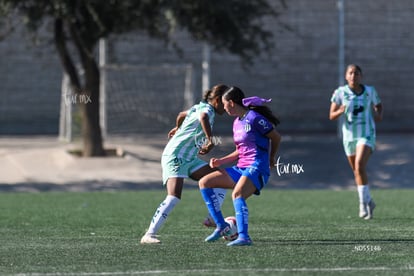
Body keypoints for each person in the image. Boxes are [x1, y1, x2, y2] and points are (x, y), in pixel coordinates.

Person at [140, 84, 229, 244]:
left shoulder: (198, 107)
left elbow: (181, 114)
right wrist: (210, 140)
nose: (227, 106)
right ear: (216, 100)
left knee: (222, 178)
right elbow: (203, 118)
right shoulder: (207, 110)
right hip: (175, 156)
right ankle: (149, 234)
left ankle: (211, 219)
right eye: (225, 102)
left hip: (189, 158)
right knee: (174, 197)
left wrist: (178, 127)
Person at [199, 86, 281, 246]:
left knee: (237, 195)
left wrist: (271, 158)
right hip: (242, 167)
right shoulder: (236, 123)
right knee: (205, 182)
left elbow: (276, 137)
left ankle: (244, 237)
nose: (223, 107)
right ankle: (221, 225)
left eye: (224, 104)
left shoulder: (254, 118)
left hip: (257, 167)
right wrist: (220, 161)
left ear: (231, 103)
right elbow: (239, 150)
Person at [329, 64, 383, 220]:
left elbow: (378, 105)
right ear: (346, 76)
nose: (354, 76)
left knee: (359, 165)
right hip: (349, 137)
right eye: (351, 73)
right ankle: (369, 201)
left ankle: (362, 204)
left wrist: (378, 114)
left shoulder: (370, 91)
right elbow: (331, 115)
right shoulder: (340, 93)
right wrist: (341, 110)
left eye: (357, 73)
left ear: (361, 76)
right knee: (357, 170)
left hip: (366, 134)